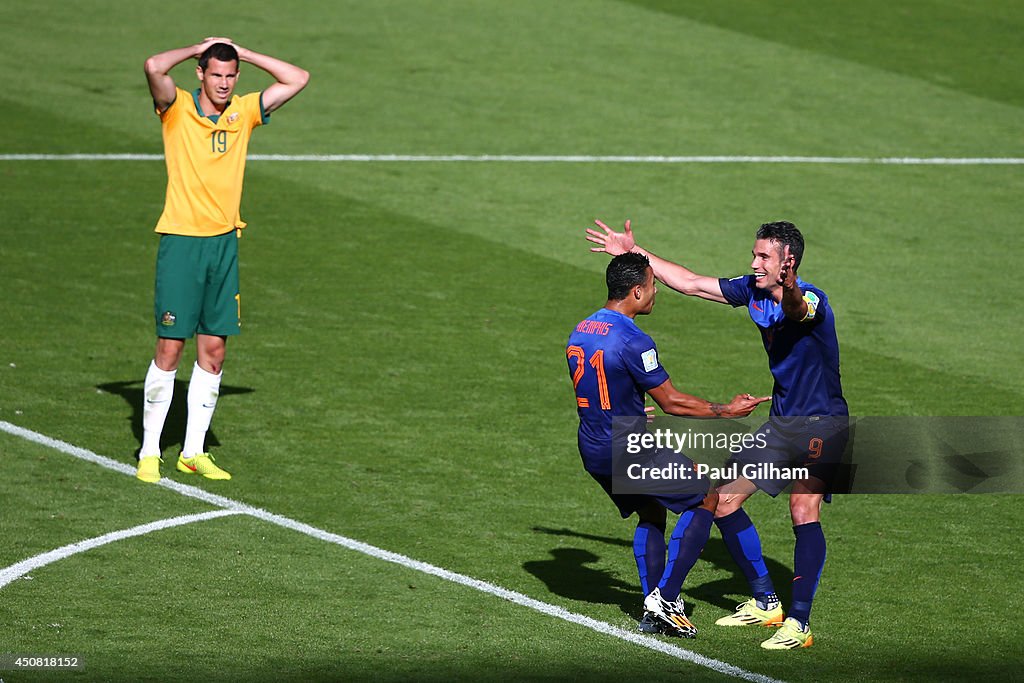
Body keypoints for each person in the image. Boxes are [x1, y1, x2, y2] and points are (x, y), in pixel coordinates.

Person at [586, 219, 848, 650]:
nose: (754, 262)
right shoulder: (750, 290)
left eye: (764, 256)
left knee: (803, 508)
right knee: (722, 500)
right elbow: (689, 283)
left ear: (788, 261)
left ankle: (799, 624)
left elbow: (799, 309)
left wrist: (792, 284)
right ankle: (767, 601)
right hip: (783, 423)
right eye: (755, 253)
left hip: (824, 422)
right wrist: (634, 253)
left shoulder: (813, 298)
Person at [567, 252, 769, 637]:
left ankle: (652, 607)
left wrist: (625, 407)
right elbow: (672, 402)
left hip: (593, 447)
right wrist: (726, 411)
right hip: (627, 449)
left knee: (651, 512)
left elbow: (596, 389)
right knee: (706, 497)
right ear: (637, 290)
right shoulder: (633, 339)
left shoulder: (582, 328)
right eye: (652, 284)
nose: (656, 291)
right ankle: (667, 599)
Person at [135, 38, 309, 483]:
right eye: (216, 74)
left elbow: (298, 78)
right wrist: (197, 46)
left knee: (213, 352)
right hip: (181, 242)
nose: (225, 83)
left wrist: (246, 53)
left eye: (231, 76)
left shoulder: (244, 112)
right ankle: (150, 451)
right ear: (200, 73)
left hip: (224, 244)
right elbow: (154, 65)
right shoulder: (175, 109)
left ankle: (193, 452)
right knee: (170, 347)